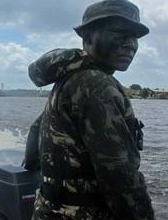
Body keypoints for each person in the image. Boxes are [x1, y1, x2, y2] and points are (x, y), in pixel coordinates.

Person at [24, 0, 155, 219]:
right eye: (120, 33)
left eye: (134, 37)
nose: (130, 44)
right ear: (87, 38)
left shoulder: (70, 79)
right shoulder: (95, 84)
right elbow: (120, 178)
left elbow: (35, 136)